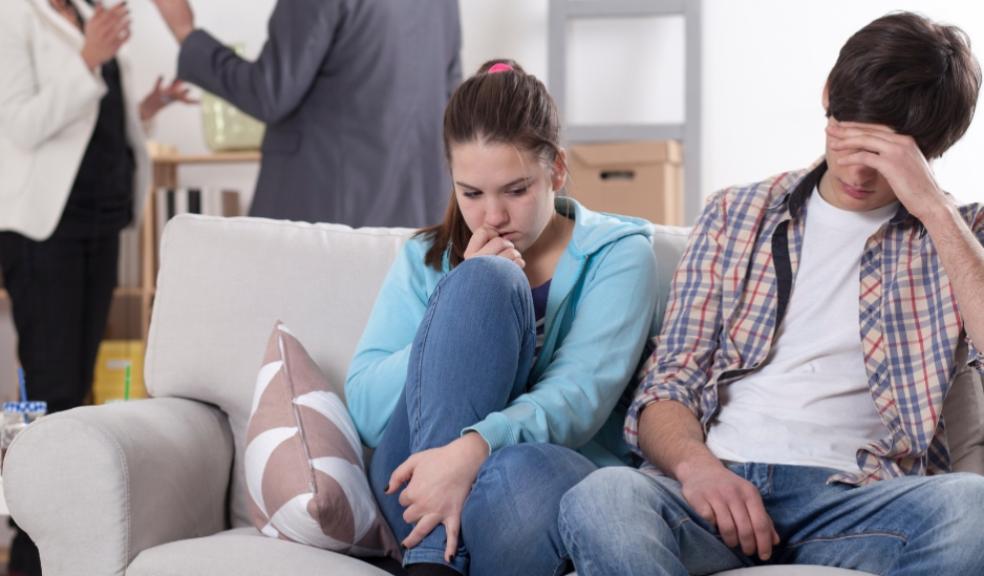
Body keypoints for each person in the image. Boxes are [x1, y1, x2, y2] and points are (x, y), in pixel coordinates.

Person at [559, 11, 984, 576]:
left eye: (886, 157)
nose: (859, 172)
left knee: (972, 509)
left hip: (858, 500)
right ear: (829, 95)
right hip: (720, 484)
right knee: (602, 497)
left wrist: (931, 206)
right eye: (850, 137)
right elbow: (669, 383)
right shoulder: (737, 213)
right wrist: (697, 466)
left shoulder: (960, 236)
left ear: (929, 151)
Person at [344, 60, 661, 576]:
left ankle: (435, 563)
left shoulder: (619, 255)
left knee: (523, 471)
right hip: (416, 482)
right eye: (471, 193)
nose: (492, 216)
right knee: (486, 283)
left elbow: (578, 398)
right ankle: (431, 563)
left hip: (520, 482)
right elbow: (366, 407)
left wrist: (471, 452)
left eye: (516, 190)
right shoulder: (424, 256)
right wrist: (453, 306)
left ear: (556, 170)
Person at [0, 1, 191, 574]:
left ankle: (67, 542)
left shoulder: (87, 12)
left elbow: (91, 119)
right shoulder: (15, 15)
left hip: (102, 219)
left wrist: (147, 109)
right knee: (52, 387)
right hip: (44, 230)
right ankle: (29, 550)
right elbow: (22, 124)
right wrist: (87, 59)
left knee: (77, 388)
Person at [151, 0, 462, 228]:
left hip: (327, 219)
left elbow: (270, 93)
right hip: (418, 215)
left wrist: (185, 32)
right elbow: (451, 101)